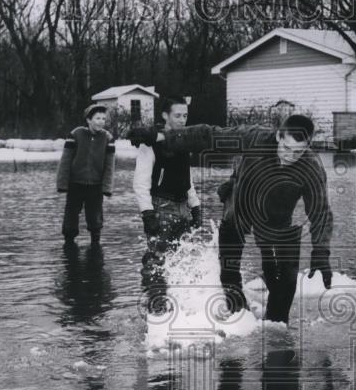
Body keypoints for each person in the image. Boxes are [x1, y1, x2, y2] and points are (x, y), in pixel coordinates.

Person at [129, 114, 333, 324]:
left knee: (285, 283)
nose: (290, 156)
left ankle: (276, 329)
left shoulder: (311, 168)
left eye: (297, 152)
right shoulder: (255, 138)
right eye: (286, 148)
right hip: (239, 208)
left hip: (277, 220)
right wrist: (161, 136)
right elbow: (209, 135)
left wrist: (321, 252)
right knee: (229, 271)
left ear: (308, 146)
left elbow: (320, 212)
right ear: (278, 136)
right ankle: (237, 318)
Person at [134, 95, 202, 312]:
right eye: (177, 115)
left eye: (185, 115)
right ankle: (155, 310)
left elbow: (186, 177)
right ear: (165, 115)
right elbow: (140, 182)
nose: (182, 119)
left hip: (182, 207)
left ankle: (178, 306)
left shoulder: (184, 140)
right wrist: (147, 213)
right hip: (161, 206)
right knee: (156, 261)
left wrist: (196, 205)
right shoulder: (151, 143)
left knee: (180, 259)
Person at [56, 104, 116, 245]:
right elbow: (65, 161)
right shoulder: (76, 134)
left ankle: (95, 242)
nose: (101, 121)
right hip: (75, 183)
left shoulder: (108, 138)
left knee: (95, 217)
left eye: (103, 118)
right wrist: (62, 184)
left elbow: (109, 166)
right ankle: (69, 242)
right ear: (89, 120)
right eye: (97, 118)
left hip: (95, 186)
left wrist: (107, 187)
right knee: (71, 215)